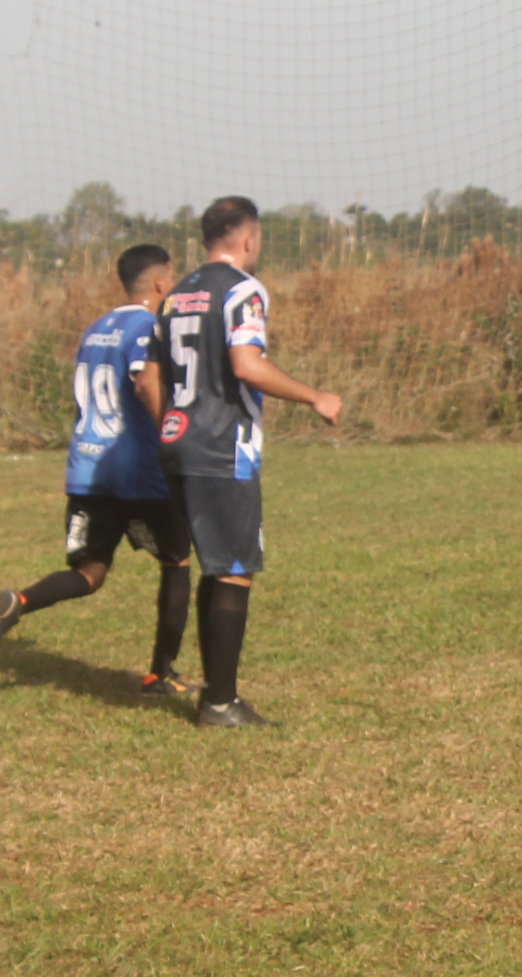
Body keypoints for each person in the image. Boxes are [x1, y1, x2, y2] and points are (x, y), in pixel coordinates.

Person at [0, 245, 197, 696]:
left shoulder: (96, 330)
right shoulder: (149, 328)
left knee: (89, 573)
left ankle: (20, 601)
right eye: (172, 277)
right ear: (160, 281)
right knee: (177, 562)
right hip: (138, 470)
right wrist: (173, 435)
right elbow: (145, 382)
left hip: (89, 469)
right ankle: (160, 674)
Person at [154, 196, 342, 727]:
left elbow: (156, 373)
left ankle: (215, 695)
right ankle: (221, 702)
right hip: (221, 445)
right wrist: (315, 396)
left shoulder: (176, 294)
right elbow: (246, 364)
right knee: (234, 570)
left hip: (176, 439)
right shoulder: (243, 289)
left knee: (215, 567)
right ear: (247, 239)